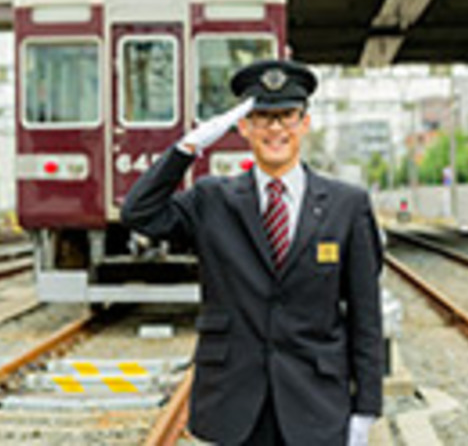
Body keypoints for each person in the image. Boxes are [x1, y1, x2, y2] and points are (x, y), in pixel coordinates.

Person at [122, 60, 383, 445]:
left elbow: (365, 316)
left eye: (287, 116)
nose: (275, 128)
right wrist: (188, 147)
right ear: (242, 127)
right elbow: (138, 212)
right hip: (233, 406)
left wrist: (366, 408)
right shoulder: (213, 199)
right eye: (262, 117)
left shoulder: (348, 205)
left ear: (304, 123)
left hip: (316, 404)